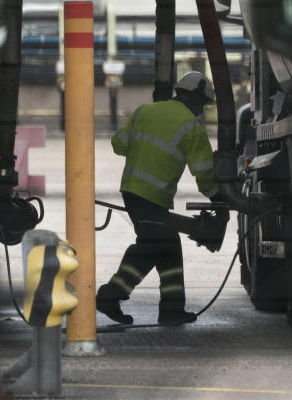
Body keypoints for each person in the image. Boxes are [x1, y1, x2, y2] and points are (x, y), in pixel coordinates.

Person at [95, 71, 222, 325]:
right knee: (152, 245)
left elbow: (118, 144)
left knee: (170, 247)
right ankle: (111, 295)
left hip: (132, 190)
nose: (201, 112)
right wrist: (219, 201)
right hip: (152, 196)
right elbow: (204, 173)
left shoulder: (145, 111)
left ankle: (172, 310)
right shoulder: (191, 127)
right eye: (203, 106)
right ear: (196, 100)